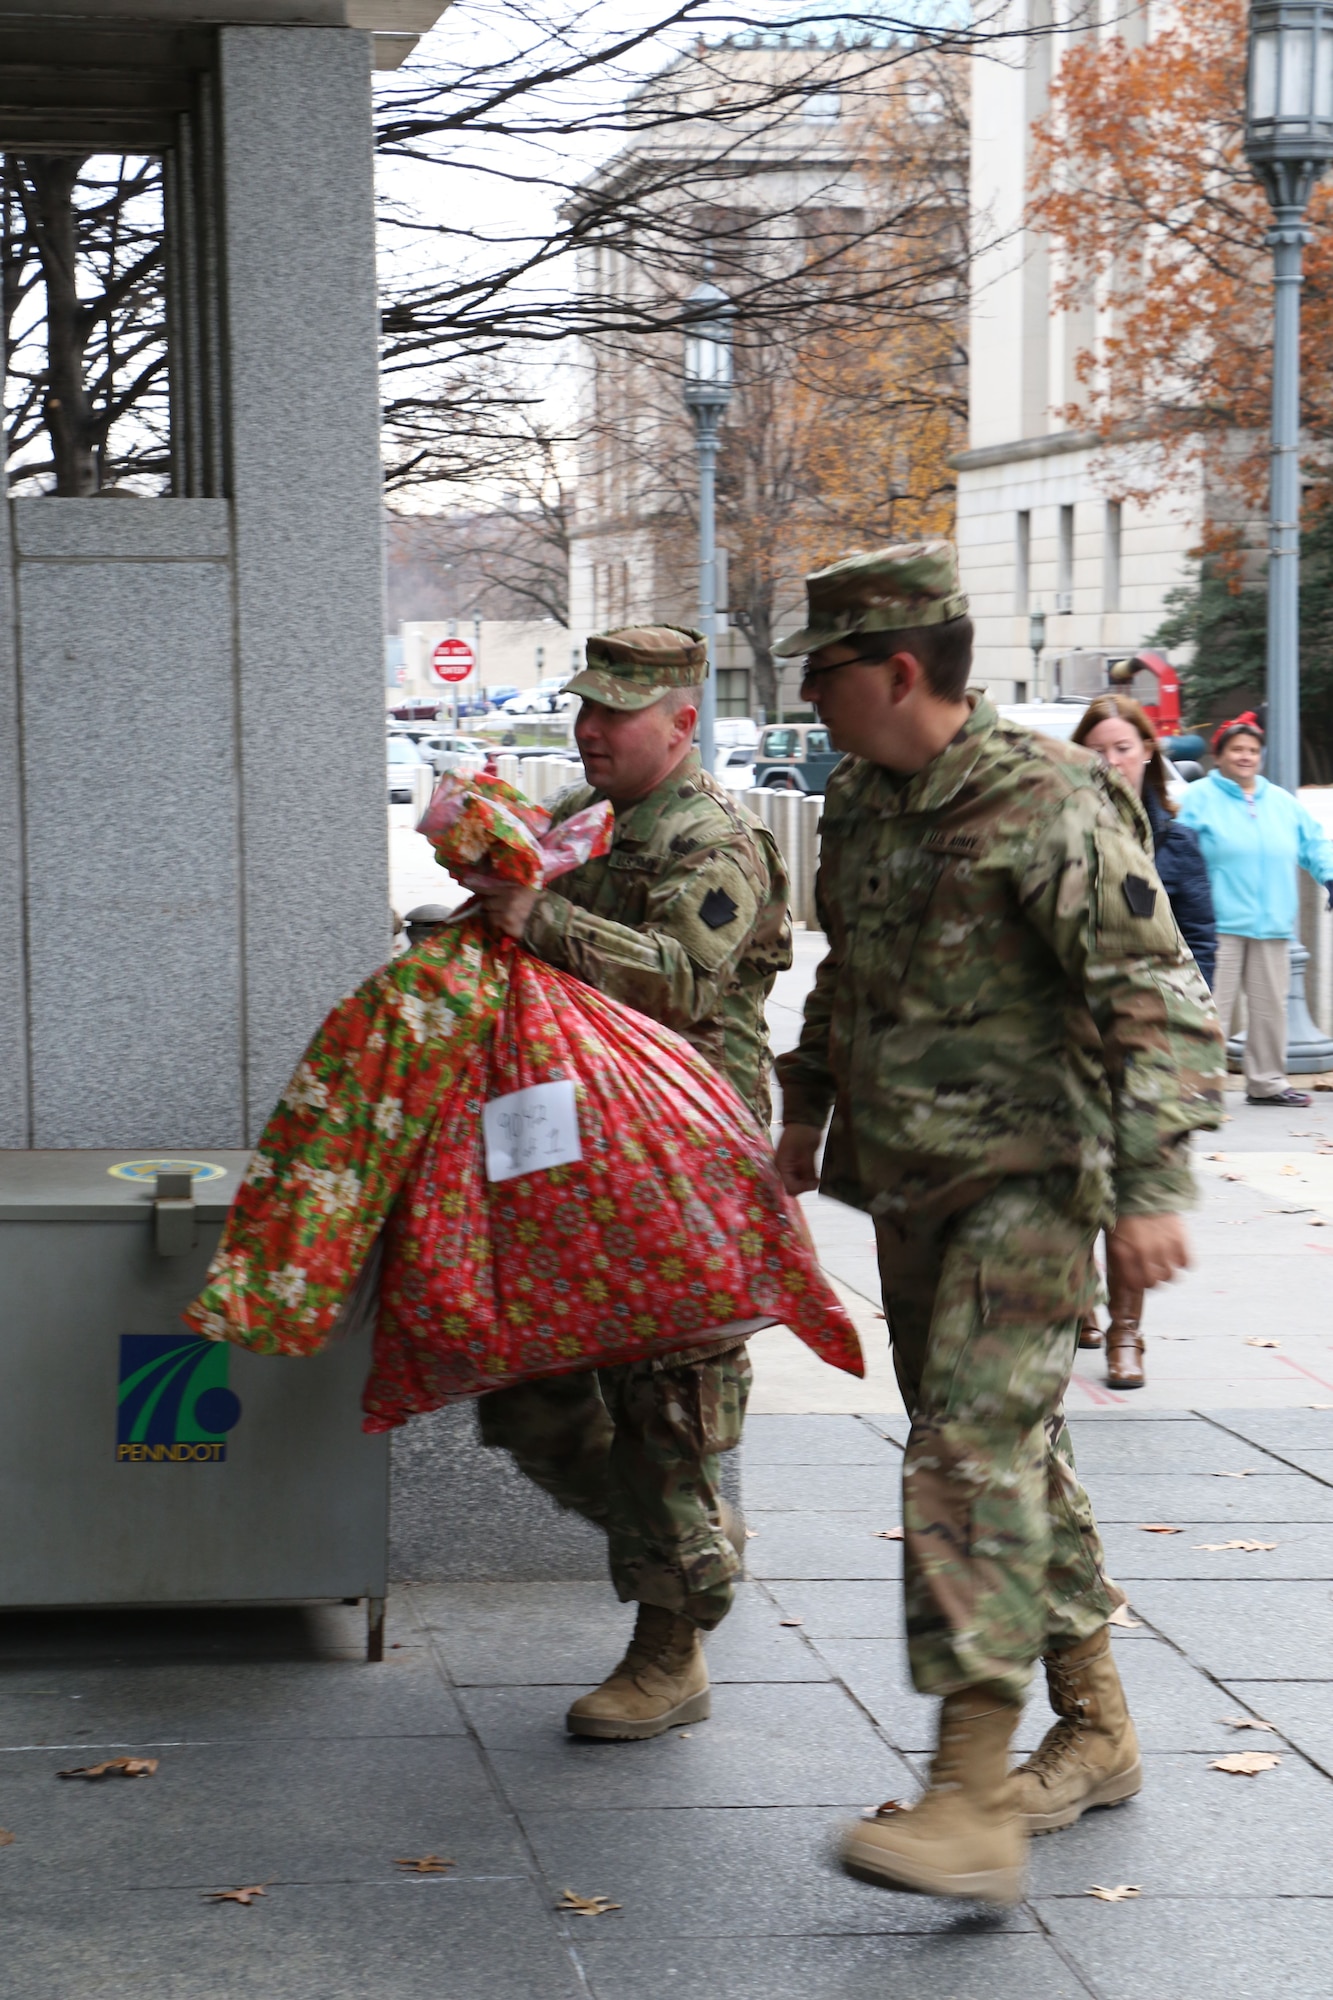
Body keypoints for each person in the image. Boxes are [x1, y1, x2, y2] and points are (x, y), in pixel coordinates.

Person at [771, 544, 1223, 1905]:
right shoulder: (858, 799)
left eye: (825, 674)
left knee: (964, 1458)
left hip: (1031, 1190)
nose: (810, 699)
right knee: (1015, 1451)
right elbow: (847, 966)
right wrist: (802, 1110)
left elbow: (1161, 1003)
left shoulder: (1050, 799)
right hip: (910, 1190)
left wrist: (1148, 1189)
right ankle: (1095, 1732)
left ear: (898, 671)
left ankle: (969, 1793)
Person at [468, 625, 791, 1741]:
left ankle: (670, 1642)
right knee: (533, 1394)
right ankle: (686, 1542)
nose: (589, 729)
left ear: (681, 722)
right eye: (585, 707)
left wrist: (539, 916)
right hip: (589, 1142)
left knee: (666, 1397)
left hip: (684, 1152)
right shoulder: (585, 826)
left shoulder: (717, 839)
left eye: (615, 711)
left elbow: (685, 981)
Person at [1069, 694, 1218, 1389]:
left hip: (1149, 1038)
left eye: (1121, 747)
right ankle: (1078, 1299)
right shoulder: (1061, 830)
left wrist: (1193, 1031)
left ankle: (1126, 1335)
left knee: (1130, 1182)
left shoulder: (1174, 839)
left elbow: (1197, 939)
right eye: (1095, 748)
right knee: (1072, 1175)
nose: (1109, 760)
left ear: (1147, 753)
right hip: (1070, 1037)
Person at [1177, 711, 1333, 1111]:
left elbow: (1315, 844)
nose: (1245, 756)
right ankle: (1198, 1087)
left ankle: (1267, 1083)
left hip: (1272, 924)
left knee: (1270, 1012)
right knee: (1211, 1011)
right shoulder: (1197, 799)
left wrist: (1330, 877)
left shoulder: (1281, 802)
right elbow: (1173, 850)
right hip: (1218, 925)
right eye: (1236, 749)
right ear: (1220, 755)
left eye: (1252, 750)